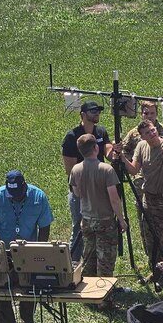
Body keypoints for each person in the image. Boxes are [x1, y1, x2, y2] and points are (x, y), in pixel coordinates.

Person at [0, 170, 53, 323]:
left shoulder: (38, 197)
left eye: (18, 193)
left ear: (25, 187)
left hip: (29, 252)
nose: (14, 197)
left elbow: (44, 227)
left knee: (30, 289)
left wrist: (38, 250)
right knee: (1, 289)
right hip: (3, 253)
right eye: (10, 194)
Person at [121, 101, 163, 255]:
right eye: (147, 133)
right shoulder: (140, 146)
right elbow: (133, 169)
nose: (151, 133)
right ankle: (154, 267)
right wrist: (120, 156)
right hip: (148, 199)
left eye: (153, 130)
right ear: (142, 137)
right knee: (149, 235)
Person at [69, 133, 127, 276]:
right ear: (96, 148)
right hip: (105, 220)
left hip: (87, 219)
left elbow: (76, 193)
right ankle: (105, 292)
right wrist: (121, 220)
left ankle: (90, 292)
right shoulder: (106, 169)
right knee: (105, 260)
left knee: (89, 257)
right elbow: (114, 198)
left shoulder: (75, 169)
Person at [62, 101, 113, 262]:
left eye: (98, 110)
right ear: (83, 115)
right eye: (92, 111)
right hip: (80, 191)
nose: (96, 113)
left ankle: (95, 261)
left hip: (100, 189)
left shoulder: (101, 132)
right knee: (79, 228)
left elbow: (108, 154)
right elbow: (70, 171)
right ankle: (74, 263)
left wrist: (115, 149)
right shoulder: (72, 137)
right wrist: (80, 189)